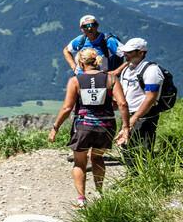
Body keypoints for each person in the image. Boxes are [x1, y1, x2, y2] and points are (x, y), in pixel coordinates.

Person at [49, 48, 130, 207]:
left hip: (83, 126)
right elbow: (122, 103)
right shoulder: (111, 78)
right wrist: (125, 127)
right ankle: (99, 193)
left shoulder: (75, 81)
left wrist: (55, 127)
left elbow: (67, 108)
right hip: (106, 126)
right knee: (97, 157)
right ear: (97, 61)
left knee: (79, 162)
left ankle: (81, 200)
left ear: (80, 63)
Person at [118, 38, 165, 171]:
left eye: (129, 52)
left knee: (141, 150)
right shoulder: (128, 69)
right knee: (127, 147)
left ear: (141, 53)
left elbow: (151, 98)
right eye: (125, 51)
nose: (125, 54)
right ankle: (133, 179)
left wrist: (135, 118)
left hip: (144, 117)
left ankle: (142, 181)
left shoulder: (152, 71)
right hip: (128, 115)